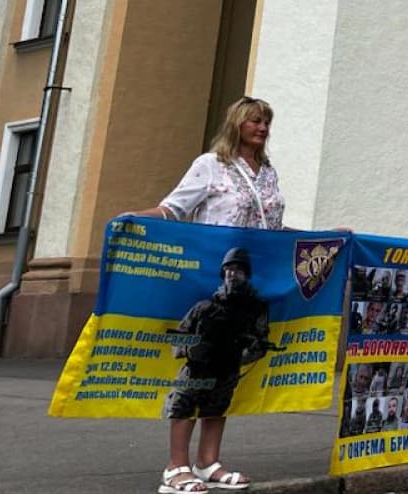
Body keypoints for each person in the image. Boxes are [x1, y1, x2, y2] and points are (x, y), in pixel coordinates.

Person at [121, 97, 285, 494]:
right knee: (196, 377)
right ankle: (176, 467)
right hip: (209, 286)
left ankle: (209, 460)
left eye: (266, 121)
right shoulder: (210, 165)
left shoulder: (268, 173)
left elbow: (274, 229)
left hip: (249, 290)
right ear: (237, 124)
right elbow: (175, 210)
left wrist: (325, 238)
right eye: (254, 120)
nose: (262, 128)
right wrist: (135, 218)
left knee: (225, 379)